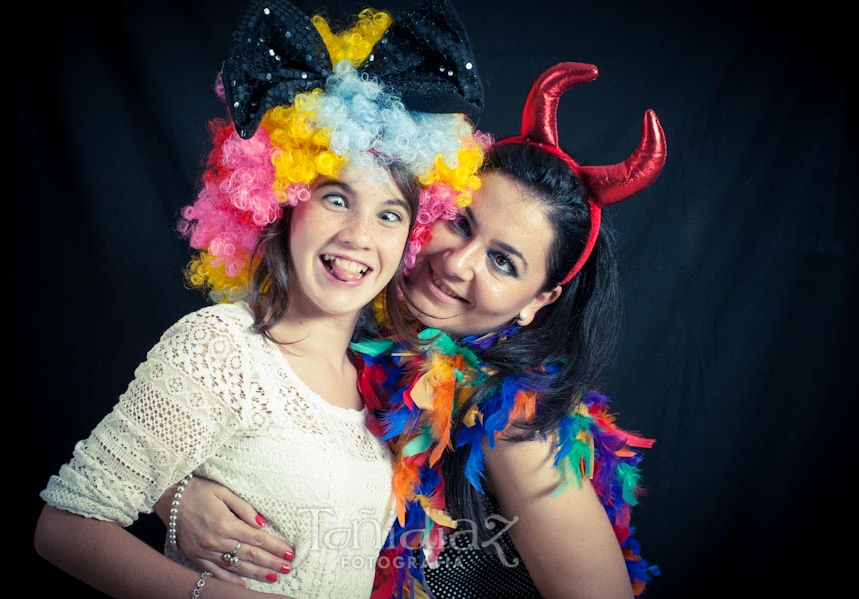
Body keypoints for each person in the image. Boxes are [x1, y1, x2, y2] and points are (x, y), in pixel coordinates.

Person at [155, 61, 667, 599]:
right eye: (462, 222)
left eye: (503, 262)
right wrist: (177, 498)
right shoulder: (349, 333)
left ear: (538, 301)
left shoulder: (514, 426)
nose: (458, 262)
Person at [33, 0, 488, 597]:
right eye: (334, 198)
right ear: (284, 201)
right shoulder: (221, 346)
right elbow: (63, 528)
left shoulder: (382, 384)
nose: (358, 236)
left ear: (411, 237)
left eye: (389, 214)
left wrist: (177, 493)